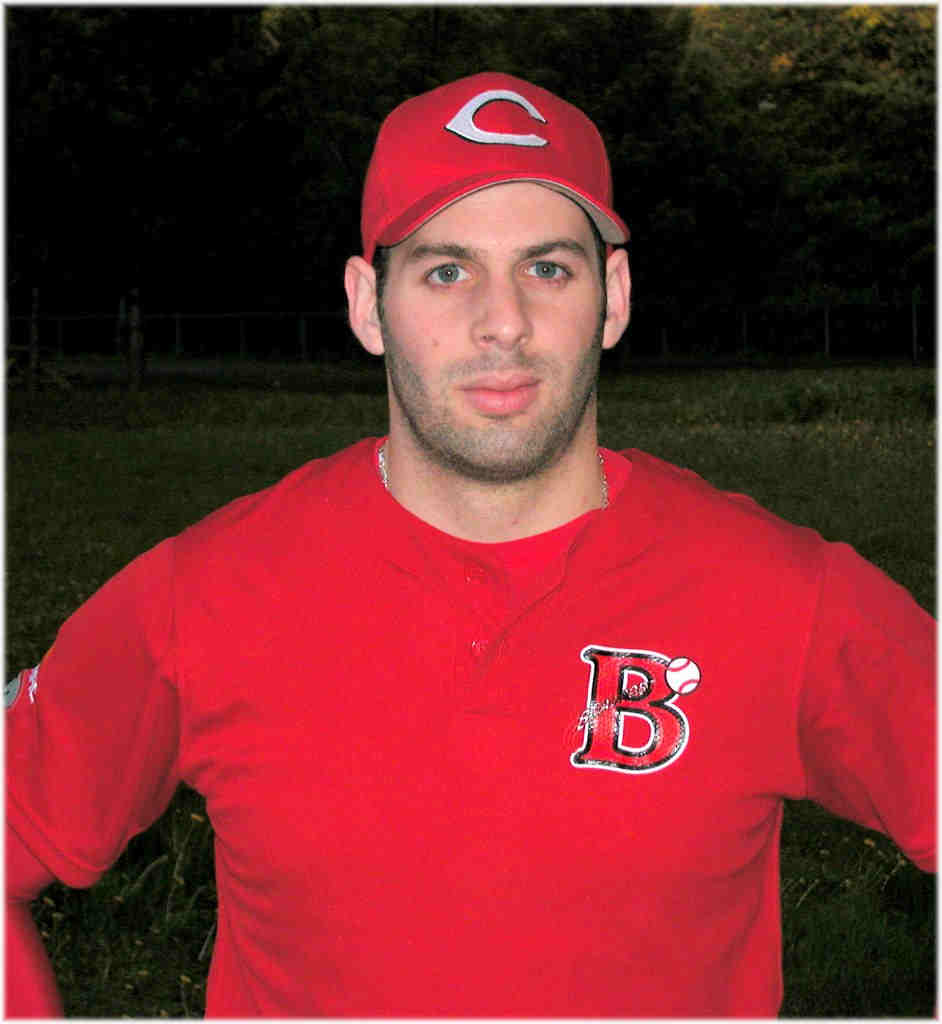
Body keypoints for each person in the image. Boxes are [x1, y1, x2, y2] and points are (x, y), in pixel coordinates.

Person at [6, 71, 935, 1017]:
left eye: (548, 269)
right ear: (368, 304)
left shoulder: (783, 596)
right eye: (446, 271)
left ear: (614, 296)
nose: (503, 323)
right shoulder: (202, 595)